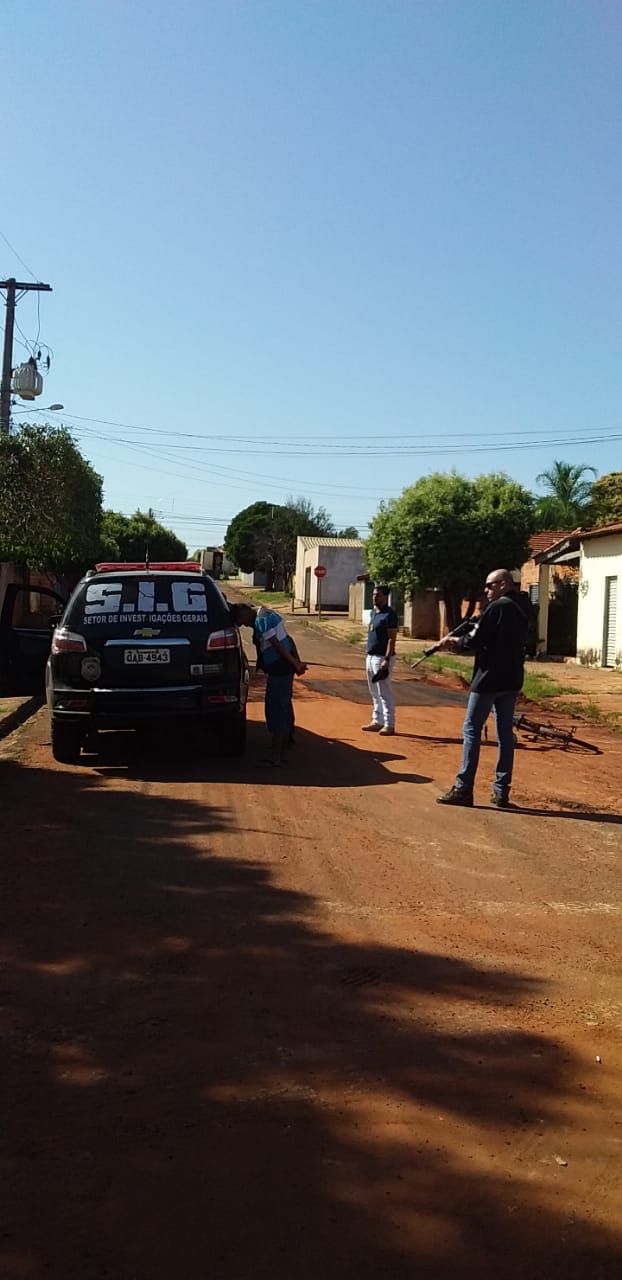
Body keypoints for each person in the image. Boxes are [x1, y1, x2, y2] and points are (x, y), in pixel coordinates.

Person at [436, 569, 533, 808]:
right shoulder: (524, 607)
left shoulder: (497, 607)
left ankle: (463, 788)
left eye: (490, 585)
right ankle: (501, 791)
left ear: (504, 584)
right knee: (505, 735)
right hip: (512, 679)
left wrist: (455, 643)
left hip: (488, 679)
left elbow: (475, 639)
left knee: (471, 729)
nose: (486, 590)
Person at [230, 602, 306, 766]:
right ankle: (283, 746)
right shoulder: (268, 614)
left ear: (245, 610)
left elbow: (277, 644)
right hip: (283, 668)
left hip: (280, 669)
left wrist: (295, 663)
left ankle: (276, 755)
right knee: (283, 706)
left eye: (242, 620)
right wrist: (296, 662)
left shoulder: (261, 620)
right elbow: (288, 640)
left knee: (276, 709)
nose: (245, 625)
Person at [362, 584, 398, 736]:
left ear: (385, 597)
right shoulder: (374, 613)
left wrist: (387, 659)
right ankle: (377, 721)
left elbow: (392, 639)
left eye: (378, 595)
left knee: (384, 691)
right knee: (374, 691)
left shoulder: (389, 615)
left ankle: (389, 724)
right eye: (373, 594)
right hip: (370, 656)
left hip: (382, 658)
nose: (375, 597)